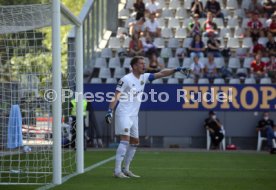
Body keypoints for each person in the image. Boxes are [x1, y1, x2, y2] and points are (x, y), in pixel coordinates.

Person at [105, 56, 190, 178]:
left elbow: (161, 73)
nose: (144, 65)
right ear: (134, 66)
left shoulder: (144, 77)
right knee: (125, 140)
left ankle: (126, 169)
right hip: (123, 113)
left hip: (134, 115)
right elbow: (116, 96)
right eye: (141, 64)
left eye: (144, 63)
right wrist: (109, 111)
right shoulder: (126, 79)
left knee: (135, 142)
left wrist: (176, 69)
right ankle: (117, 171)